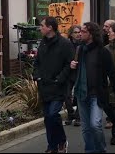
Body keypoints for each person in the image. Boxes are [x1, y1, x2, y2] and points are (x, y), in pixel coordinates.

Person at [70, 22, 115, 153]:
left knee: (95, 124)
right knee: (86, 127)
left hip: (96, 94)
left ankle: (100, 149)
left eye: (83, 31)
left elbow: (112, 73)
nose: (80, 34)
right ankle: (89, 150)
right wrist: (72, 66)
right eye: (80, 31)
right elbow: (75, 73)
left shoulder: (102, 51)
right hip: (82, 94)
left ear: (91, 34)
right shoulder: (79, 50)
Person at [33, 17, 74, 153]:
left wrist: (60, 79)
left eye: (42, 26)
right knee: (48, 118)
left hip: (58, 86)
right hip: (44, 86)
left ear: (50, 27)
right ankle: (52, 146)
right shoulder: (42, 43)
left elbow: (70, 64)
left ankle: (61, 141)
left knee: (52, 114)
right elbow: (37, 62)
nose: (40, 28)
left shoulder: (65, 43)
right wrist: (36, 75)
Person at [63, 25, 81, 126]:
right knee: (66, 95)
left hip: (79, 72)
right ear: (71, 34)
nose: (78, 34)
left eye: (79, 32)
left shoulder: (83, 45)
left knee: (78, 95)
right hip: (69, 72)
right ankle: (70, 114)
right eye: (75, 32)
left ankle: (78, 116)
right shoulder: (66, 44)